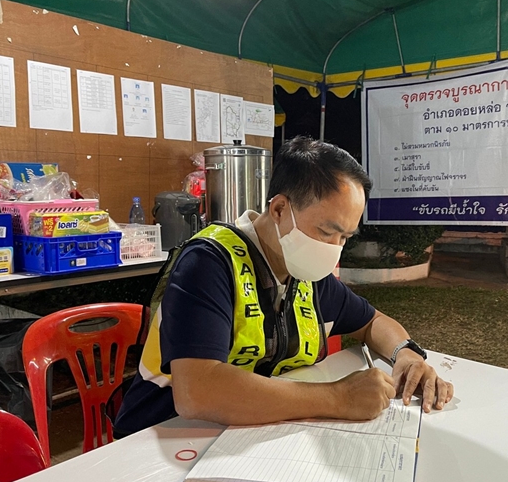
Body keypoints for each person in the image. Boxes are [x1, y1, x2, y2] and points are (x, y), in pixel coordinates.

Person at [114, 136, 454, 435]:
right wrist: (338, 397)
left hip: (241, 436)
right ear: (279, 209)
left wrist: (405, 354)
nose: (333, 249)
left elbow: (371, 321)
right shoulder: (209, 263)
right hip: (161, 438)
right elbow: (198, 392)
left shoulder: (305, 274)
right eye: (327, 232)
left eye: (345, 237)